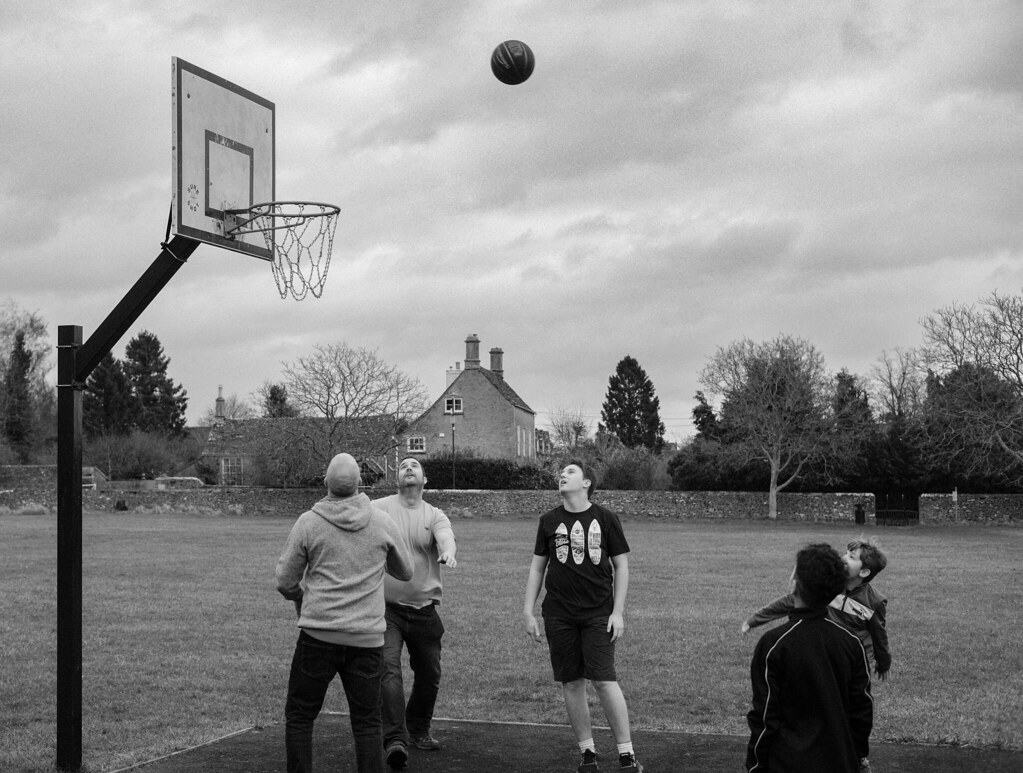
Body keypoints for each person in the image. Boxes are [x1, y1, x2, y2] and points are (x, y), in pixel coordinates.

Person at [276, 453, 414, 773]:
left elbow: (284, 580)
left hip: (317, 635)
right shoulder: (381, 522)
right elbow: (406, 571)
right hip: (366, 639)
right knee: (367, 723)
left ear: (325, 482)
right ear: (360, 484)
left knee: (299, 717)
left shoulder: (309, 522)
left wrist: (300, 599)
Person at [523, 461, 643, 773]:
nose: (562, 475)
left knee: (604, 679)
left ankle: (626, 754)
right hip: (559, 615)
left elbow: (622, 566)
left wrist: (618, 612)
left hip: (598, 614)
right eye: (561, 473)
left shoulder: (606, 518)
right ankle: (587, 751)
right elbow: (538, 567)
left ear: (587, 483)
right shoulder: (548, 520)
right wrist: (528, 611)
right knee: (571, 682)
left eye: (570, 472)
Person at [746, 543, 874, 773]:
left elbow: (765, 717)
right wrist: (857, 756)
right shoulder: (851, 643)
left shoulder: (774, 644)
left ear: (795, 584)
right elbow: (862, 711)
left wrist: (755, 767)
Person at [373, 457, 458, 770]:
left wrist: (447, 551)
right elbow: (352, 519)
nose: (408, 468)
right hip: (387, 610)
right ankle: (395, 739)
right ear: (397, 478)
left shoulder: (434, 514)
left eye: (415, 466)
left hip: (424, 610)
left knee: (430, 674)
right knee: (388, 670)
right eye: (403, 466)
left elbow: (446, 536)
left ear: (424, 479)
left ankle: (418, 728)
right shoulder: (378, 508)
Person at [741, 536, 891, 679]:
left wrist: (883, 663)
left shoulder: (875, 602)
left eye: (851, 557)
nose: (844, 558)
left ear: (864, 572)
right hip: (825, 651)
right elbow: (789, 601)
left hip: (855, 659)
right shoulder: (828, 585)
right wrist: (754, 620)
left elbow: (879, 635)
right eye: (845, 553)